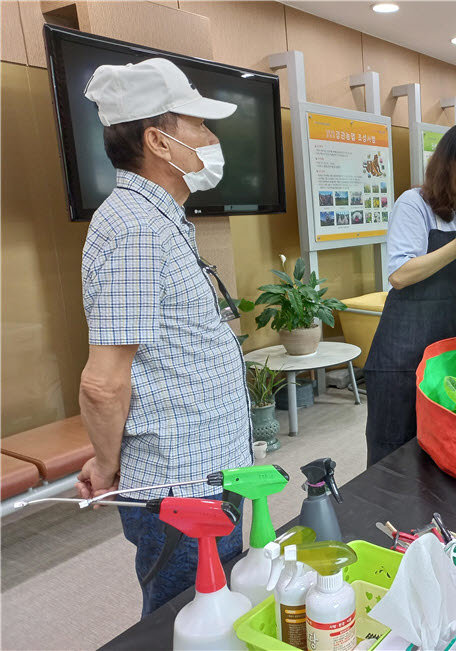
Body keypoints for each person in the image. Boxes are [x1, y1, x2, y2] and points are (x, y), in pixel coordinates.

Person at [77, 58, 252, 616]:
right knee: (186, 619)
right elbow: (103, 384)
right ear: (159, 140)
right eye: (199, 125)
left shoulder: (159, 222)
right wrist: (106, 467)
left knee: (217, 609)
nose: (211, 137)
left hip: (205, 470)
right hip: (181, 488)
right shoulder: (136, 231)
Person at [364, 122, 456, 466]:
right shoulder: (414, 204)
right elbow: (400, 275)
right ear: (449, 161)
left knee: (435, 450)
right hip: (402, 355)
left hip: (445, 352)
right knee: (393, 452)